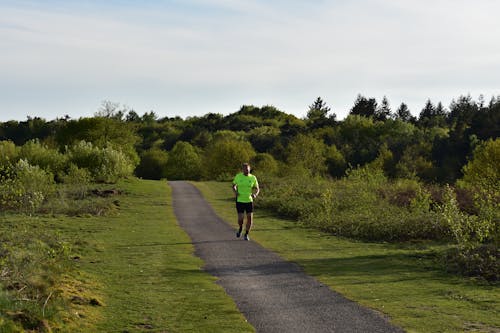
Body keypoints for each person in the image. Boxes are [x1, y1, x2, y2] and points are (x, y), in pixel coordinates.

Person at [232, 163, 260, 241]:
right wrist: (235, 192)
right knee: (240, 219)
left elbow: (257, 188)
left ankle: (246, 234)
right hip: (240, 200)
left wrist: (255, 194)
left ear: (249, 169)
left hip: (249, 201)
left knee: (250, 219)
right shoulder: (238, 176)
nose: (246, 171)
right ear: (242, 170)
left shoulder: (253, 177)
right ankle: (240, 228)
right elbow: (233, 185)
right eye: (245, 169)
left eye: (247, 169)